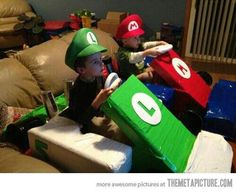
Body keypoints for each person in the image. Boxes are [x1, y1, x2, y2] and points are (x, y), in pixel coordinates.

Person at [63, 28, 129, 144]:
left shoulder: (98, 76)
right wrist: (97, 102)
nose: (101, 64)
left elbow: (107, 90)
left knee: (128, 120)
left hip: (104, 112)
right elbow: (81, 120)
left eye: (100, 58)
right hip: (89, 122)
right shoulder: (77, 90)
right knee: (117, 130)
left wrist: (114, 88)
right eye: (95, 62)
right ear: (81, 69)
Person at [116, 14, 167, 82]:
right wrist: (147, 52)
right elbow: (133, 57)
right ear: (125, 41)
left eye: (138, 37)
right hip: (128, 79)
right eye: (135, 38)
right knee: (149, 75)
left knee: (157, 68)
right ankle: (140, 77)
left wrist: (158, 43)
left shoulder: (135, 46)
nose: (138, 40)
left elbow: (145, 45)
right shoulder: (122, 53)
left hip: (138, 70)